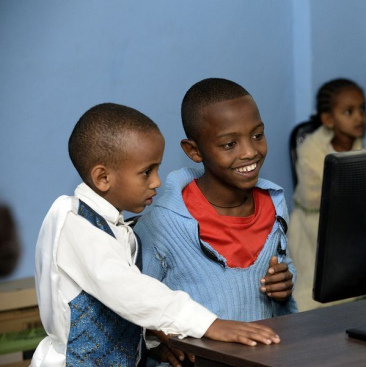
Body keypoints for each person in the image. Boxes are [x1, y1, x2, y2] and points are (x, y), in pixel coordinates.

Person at [31, 103, 281, 367]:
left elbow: (117, 310)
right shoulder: (75, 223)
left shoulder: (116, 227)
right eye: (146, 172)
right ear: (103, 178)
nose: (157, 182)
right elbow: (128, 292)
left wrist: (150, 344)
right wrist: (209, 325)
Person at [134, 78, 297, 364]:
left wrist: (284, 285)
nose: (249, 152)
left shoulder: (275, 202)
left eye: (257, 135)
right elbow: (137, 305)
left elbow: (285, 272)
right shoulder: (163, 222)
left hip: (264, 358)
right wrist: (157, 341)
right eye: (229, 144)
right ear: (194, 151)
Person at [287, 78, 366, 311]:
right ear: (329, 120)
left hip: (351, 219)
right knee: (313, 288)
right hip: (315, 222)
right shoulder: (310, 149)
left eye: (362, 109)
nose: (359, 117)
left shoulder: (363, 141)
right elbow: (317, 196)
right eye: (349, 112)